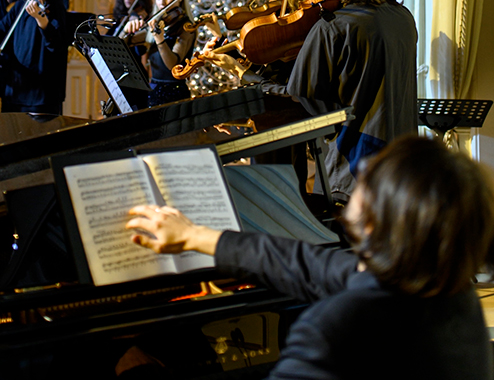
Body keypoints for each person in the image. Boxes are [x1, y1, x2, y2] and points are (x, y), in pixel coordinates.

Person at [126, 135, 494, 380]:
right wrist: (196, 235)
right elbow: (310, 264)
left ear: (375, 218)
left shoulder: (335, 327)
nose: (362, 173)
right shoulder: (452, 296)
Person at [286, 0, 417, 200]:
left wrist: (249, 76)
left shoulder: (332, 26)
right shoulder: (403, 17)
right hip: (402, 160)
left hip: (353, 168)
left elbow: (304, 93)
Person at [124, 0, 195, 107]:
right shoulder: (158, 23)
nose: (162, 2)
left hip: (174, 94)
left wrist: (160, 39)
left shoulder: (186, 27)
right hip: (154, 90)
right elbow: (126, 42)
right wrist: (128, 29)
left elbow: (172, 65)